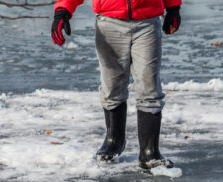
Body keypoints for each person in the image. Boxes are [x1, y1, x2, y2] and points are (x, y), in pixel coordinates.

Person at [51, 0, 182, 170]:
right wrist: (62, 11)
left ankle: (150, 152)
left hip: (147, 22)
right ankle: (114, 140)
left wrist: (173, 7)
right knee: (112, 86)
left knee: (149, 85)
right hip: (109, 23)